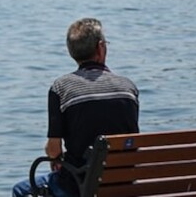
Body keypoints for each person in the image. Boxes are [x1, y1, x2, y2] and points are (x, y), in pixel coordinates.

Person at [12, 18, 139, 197]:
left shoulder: (61, 87)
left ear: (72, 52)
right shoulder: (128, 88)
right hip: (123, 183)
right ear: (101, 48)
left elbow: (54, 149)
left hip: (77, 186)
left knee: (21, 190)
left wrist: (56, 158)